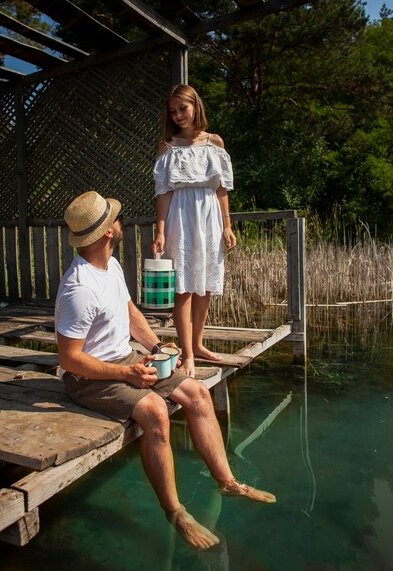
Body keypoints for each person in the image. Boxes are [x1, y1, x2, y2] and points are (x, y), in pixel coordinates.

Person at [55, 190, 276, 551]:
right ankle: (175, 512)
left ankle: (228, 482)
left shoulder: (110, 265)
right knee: (156, 412)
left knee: (197, 392)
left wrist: (157, 347)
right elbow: (69, 360)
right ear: (108, 231)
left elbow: (130, 313)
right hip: (87, 379)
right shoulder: (78, 287)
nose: (119, 220)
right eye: (115, 217)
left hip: (125, 359)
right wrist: (126, 375)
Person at [152, 84, 237, 378]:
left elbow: (222, 188)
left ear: (195, 106)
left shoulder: (215, 143)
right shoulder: (168, 146)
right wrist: (160, 231)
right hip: (180, 216)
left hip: (210, 216)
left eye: (182, 108)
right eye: (172, 111)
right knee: (184, 287)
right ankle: (187, 354)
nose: (178, 115)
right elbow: (163, 192)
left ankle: (198, 345)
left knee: (205, 285)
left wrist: (227, 225)